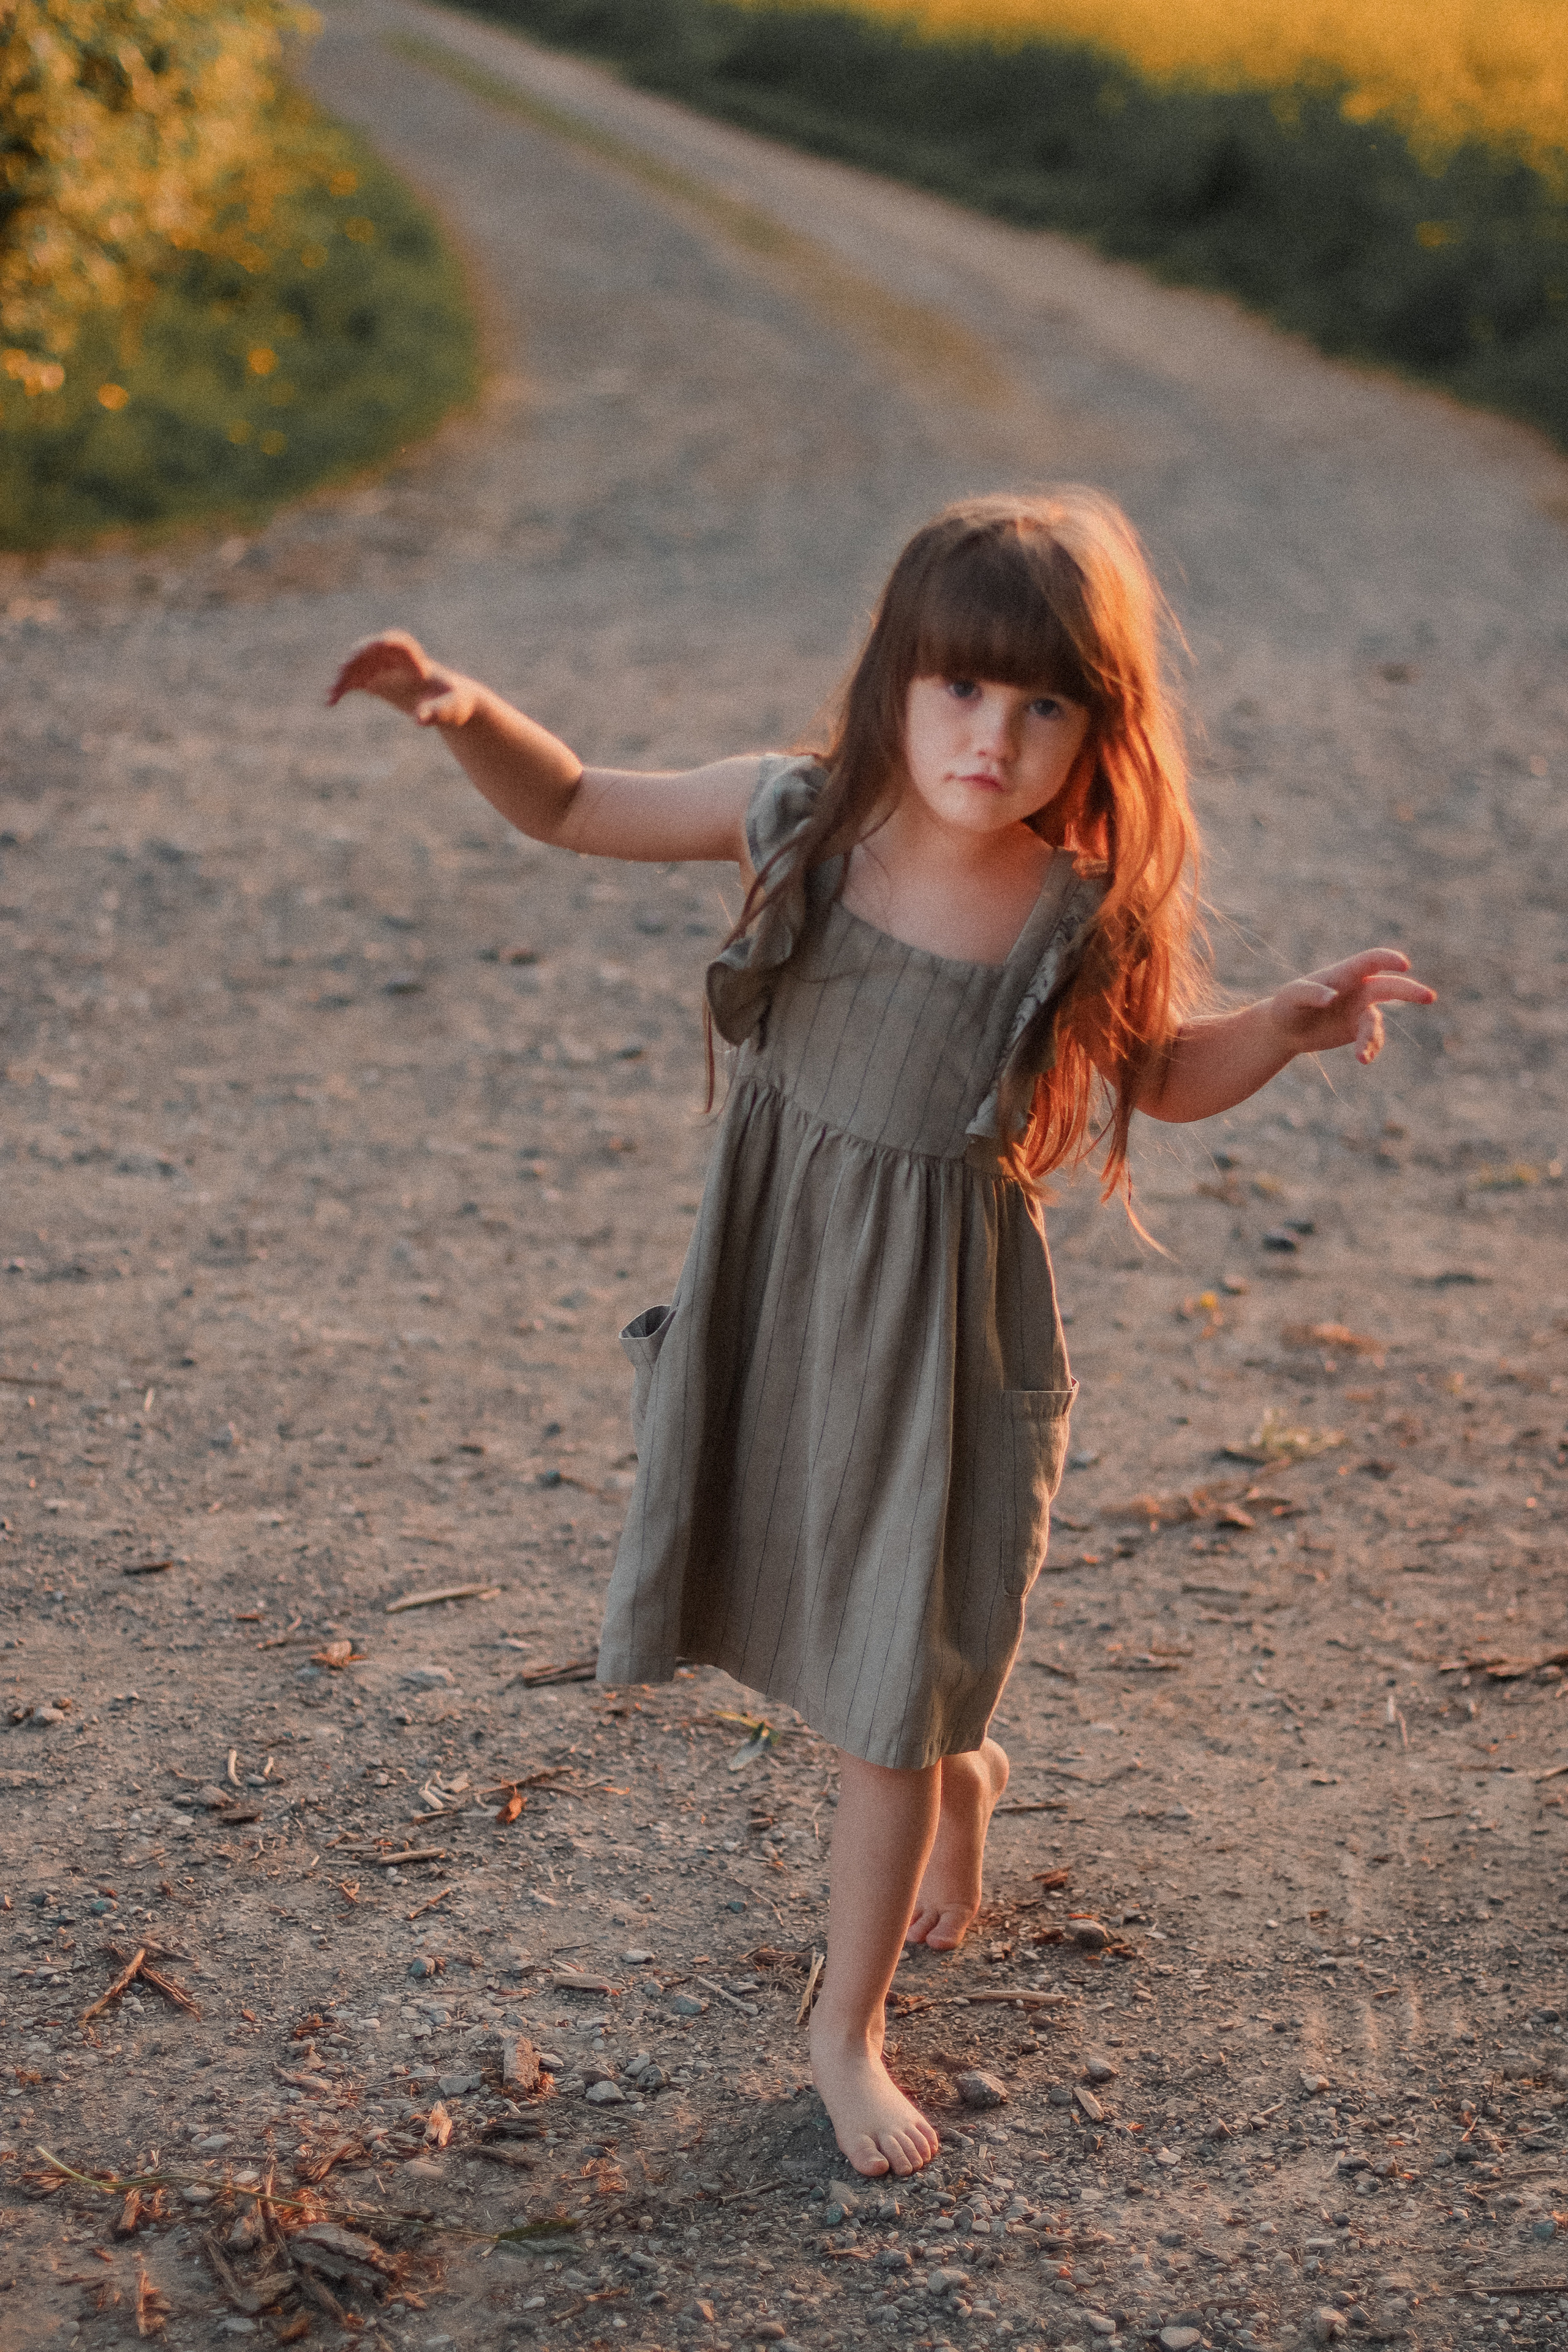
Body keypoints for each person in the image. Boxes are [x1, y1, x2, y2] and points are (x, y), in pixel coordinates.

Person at [329, 488, 1434, 2179]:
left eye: (1043, 703)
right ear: (896, 681)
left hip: (940, 1334)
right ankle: (956, 1773)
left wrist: (1278, 1029)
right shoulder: (801, 823)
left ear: (1097, 728)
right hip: (787, 1295)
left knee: (887, 1685)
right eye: (960, 689)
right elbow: (570, 802)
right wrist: (462, 712)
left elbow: (1164, 1077)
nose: (993, 736)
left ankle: (843, 2024)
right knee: (835, 1625)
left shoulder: (1074, 915)